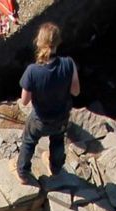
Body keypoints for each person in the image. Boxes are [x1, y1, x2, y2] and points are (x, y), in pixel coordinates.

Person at [16, 23, 81, 186]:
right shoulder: (68, 64)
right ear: (58, 43)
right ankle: (56, 168)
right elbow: (76, 92)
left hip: (39, 119)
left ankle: (23, 173)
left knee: (29, 142)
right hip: (61, 117)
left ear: (39, 42)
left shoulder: (32, 70)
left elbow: (24, 101)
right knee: (58, 140)